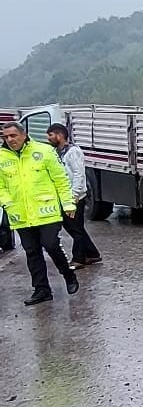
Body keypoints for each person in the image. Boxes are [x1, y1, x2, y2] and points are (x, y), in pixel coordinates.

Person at [0, 121, 79, 306]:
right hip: (20, 214)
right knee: (32, 252)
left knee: (51, 245)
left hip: (46, 211)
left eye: (13, 135)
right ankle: (42, 290)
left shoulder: (43, 151)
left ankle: (68, 274)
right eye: (6, 136)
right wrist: (6, 202)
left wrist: (68, 204)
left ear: (24, 134)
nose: (10, 139)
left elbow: (60, 179)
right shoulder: (2, 157)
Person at [47, 123, 102, 268]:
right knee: (75, 228)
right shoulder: (57, 152)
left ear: (60, 135)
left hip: (74, 197)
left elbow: (79, 174)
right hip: (65, 196)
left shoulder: (73, 152)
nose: (49, 139)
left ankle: (78, 259)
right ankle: (92, 254)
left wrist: (75, 195)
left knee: (75, 229)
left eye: (51, 135)